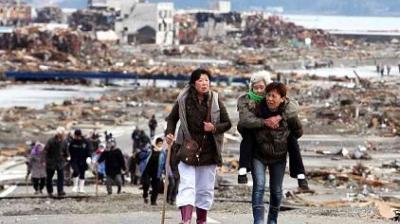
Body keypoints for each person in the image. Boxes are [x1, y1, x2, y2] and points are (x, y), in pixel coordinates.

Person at [165, 68, 232, 224]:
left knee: (205, 188)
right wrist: (169, 133)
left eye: (206, 80)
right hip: (187, 148)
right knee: (187, 185)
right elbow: (171, 119)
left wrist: (214, 128)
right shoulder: (183, 99)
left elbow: (227, 123)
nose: (204, 83)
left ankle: (201, 220)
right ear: (193, 83)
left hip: (209, 151)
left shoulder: (215, 100)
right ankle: (186, 220)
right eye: (200, 80)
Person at [237, 71, 309, 191]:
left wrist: (279, 117)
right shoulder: (247, 101)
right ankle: (243, 169)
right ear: (251, 88)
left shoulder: (276, 100)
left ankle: (300, 175)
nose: (259, 91)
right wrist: (265, 122)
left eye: (262, 87)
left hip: (278, 146)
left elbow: (294, 107)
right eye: (256, 88)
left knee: (292, 141)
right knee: (248, 137)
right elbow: (245, 120)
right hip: (258, 145)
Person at [244, 82, 303, 224]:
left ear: (282, 98)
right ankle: (258, 221)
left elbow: (298, 131)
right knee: (259, 186)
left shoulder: (289, 113)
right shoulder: (256, 109)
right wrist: (263, 122)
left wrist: (283, 131)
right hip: (258, 155)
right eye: (268, 95)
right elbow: (243, 124)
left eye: (274, 96)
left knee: (276, 191)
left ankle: (272, 220)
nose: (270, 99)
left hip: (279, 156)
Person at [42, 126, 69, 197]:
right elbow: (45, 151)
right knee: (49, 178)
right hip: (51, 162)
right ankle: (50, 191)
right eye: (63, 134)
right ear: (59, 134)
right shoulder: (51, 141)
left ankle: (60, 191)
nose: (64, 135)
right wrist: (44, 161)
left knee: (61, 177)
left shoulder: (64, 141)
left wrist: (67, 158)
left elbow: (66, 151)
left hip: (60, 162)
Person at [138, 137, 166, 205]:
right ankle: (145, 195)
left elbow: (164, 163)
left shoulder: (163, 153)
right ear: (156, 143)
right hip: (147, 170)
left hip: (157, 172)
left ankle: (153, 201)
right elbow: (140, 156)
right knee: (146, 184)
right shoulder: (150, 150)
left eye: (161, 144)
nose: (160, 145)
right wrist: (147, 152)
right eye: (159, 143)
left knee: (156, 187)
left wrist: (164, 171)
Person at [68, 129, 92, 193]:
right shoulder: (72, 142)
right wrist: (68, 156)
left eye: (78, 136)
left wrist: (89, 157)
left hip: (83, 160)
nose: (77, 137)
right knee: (76, 171)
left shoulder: (85, 142)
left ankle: (81, 188)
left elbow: (89, 150)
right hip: (74, 159)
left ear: (80, 135)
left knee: (82, 173)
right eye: (76, 136)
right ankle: (75, 186)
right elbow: (69, 150)